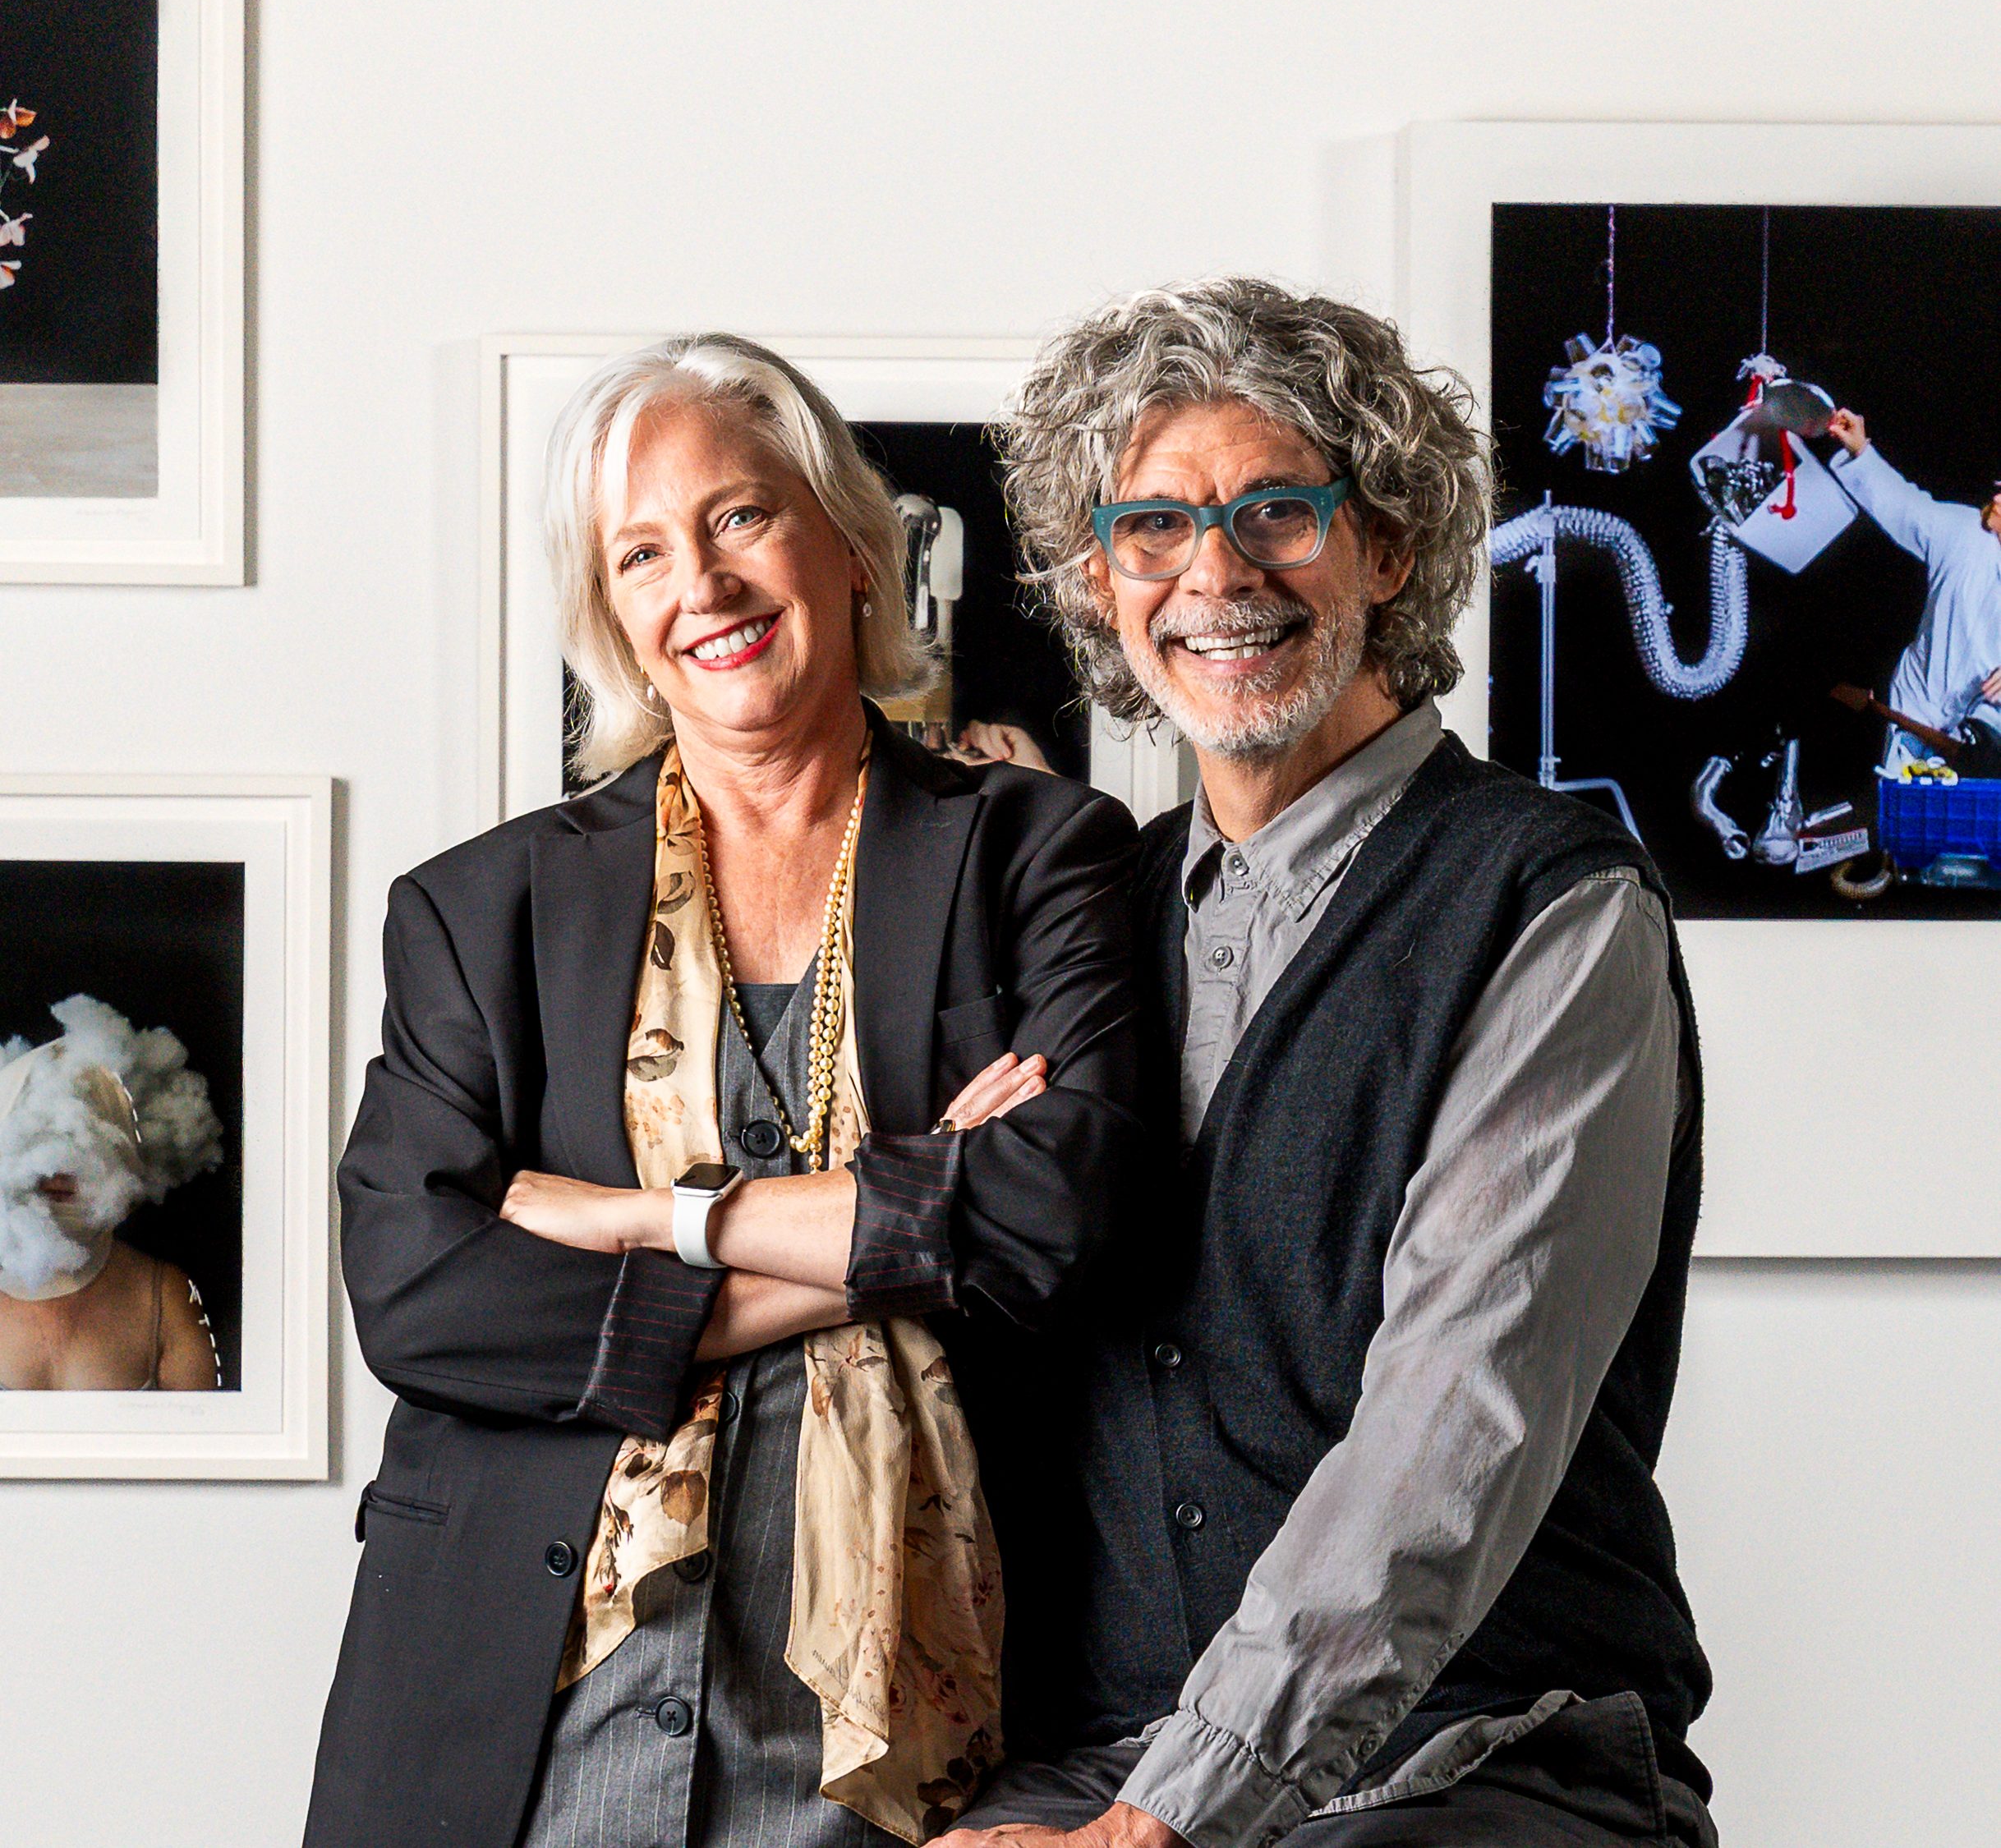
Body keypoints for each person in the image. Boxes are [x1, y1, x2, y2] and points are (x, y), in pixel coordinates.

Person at [304, 334, 1141, 1848]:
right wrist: (881, 1225)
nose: (704, 583)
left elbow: (1051, 1210)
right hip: (523, 1715)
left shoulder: (1037, 854)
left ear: (847, 544)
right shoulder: (476, 910)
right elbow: (417, 1295)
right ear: (615, 621)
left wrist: (645, 1222)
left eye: (741, 517)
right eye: (642, 554)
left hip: (916, 1737)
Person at [941, 279, 1714, 1848]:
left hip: (1481, 1755)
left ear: (1391, 546)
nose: (1213, 573)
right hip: (1105, 1746)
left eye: (1277, 512)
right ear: (1099, 582)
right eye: (1151, 526)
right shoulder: (1089, 912)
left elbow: (1460, 1415)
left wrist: (1165, 1822)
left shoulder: (1549, 908)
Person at [0, 995, 223, 1393]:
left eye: (83, 1143)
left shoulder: (162, 1295)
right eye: (39, 1141)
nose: (57, 1168)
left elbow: (208, 1446)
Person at [1826, 407, 2001, 773]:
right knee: (1905, 814)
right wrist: (1861, 452)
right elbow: (1905, 507)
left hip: (1983, 738)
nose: (1997, 498)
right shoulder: (1964, 532)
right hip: (1914, 709)